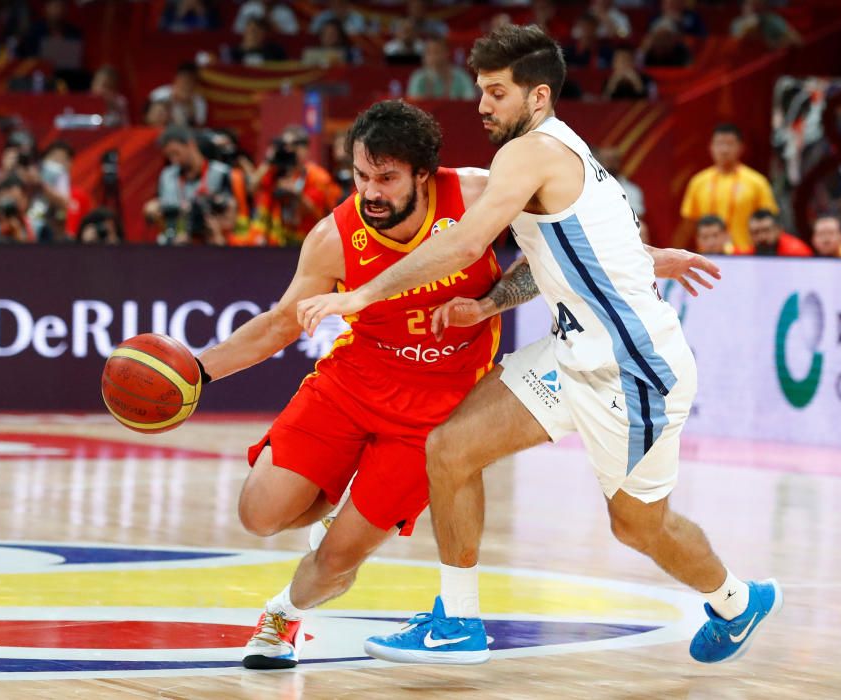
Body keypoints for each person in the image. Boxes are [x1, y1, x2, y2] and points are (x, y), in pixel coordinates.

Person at [296, 25, 780, 667]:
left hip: (631, 369)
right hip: (574, 352)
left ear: (539, 96)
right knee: (449, 449)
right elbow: (550, 253)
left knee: (637, 526)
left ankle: (736, 599)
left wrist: (359, 297)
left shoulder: (531, 153)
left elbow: (466, 244)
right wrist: (490, 303)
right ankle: (458, 622)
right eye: (481, 90)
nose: (483, 105)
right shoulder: (550, 154)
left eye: (496, 92)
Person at [198, 100, 506, 669]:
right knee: (259, 514)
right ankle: (337, 507)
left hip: (435, 415)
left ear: (423, 173)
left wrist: (488, 303)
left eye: (386, 178)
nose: (371, 192)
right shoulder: (334, 236)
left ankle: (283, 614)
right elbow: (280, 324)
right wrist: (196, 372)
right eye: (361, 176)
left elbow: (562, 251)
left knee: (338, 562)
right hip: (351, 386)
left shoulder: (482, 194)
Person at [680, 123, 778, 252]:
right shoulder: (698, 182)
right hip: (707, 255)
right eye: (719, 144)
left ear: (741, 147)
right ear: (711, 147)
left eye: (730, 144)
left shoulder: (757, 182)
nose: (724, 150)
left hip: (745, 256)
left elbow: (768, 223)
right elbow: (688, 227)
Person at [406, 37, 477, 100]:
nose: (433, 56)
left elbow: (470, 102)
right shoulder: (418, 77)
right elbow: (414, 105)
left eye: (437, 52)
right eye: (429, 52)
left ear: (447, 53)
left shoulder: (461, 76)